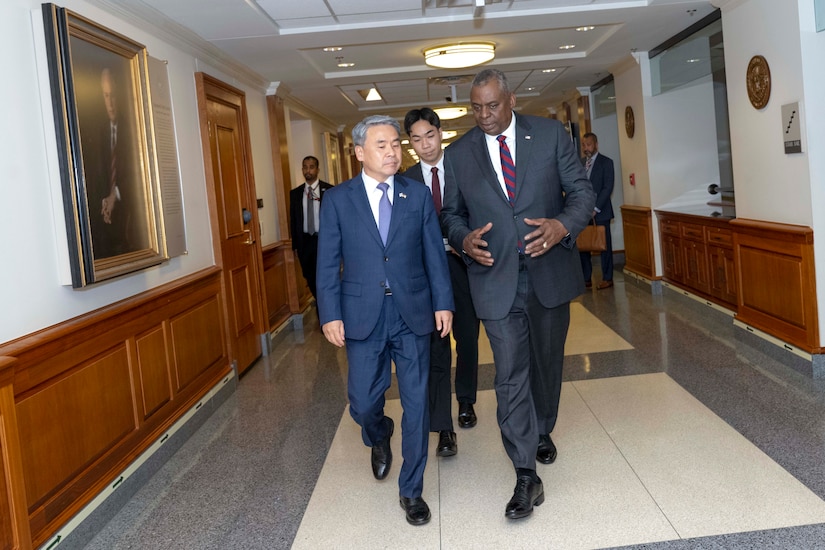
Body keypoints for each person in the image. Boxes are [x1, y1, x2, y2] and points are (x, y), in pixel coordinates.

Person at [441, 69, 595, 520]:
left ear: (511, 99)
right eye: (476, 107)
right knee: (509, 373)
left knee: (547, 365)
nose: (484, 115)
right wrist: (462, 239)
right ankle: (525, 472)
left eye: (492, 106)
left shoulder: (548, 135)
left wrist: (563, 224)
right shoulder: (460, 153)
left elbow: (581, 192)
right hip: (494, 278)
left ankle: (542, 426)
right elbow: (450, 214)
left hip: (549, 272)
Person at [316, 114, 454, 526]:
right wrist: (330, 314)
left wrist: (443, 302)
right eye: (382, 145)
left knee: (417, 403)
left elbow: (433, 253)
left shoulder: (416, 196)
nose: (393, 151)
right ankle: (379, 432)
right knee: (361, 402)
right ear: (360, 152)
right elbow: (327, 263)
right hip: (361, 315)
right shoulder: (339, 200)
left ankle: (411, 490)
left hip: (412, 312)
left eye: (396, 143)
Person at [402, 108, 481, 460]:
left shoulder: (464, 168)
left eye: (429, 136)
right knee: (436, 348)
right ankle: (443, 427)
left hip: (463, 267)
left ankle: (466, 400)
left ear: (440, 133)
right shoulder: (404, 181)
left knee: (467, 338)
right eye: (416, 139)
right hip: (427, 276)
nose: (425, 145)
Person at [91, 67, 138, 259]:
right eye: (106, 96)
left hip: (131, 221)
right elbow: (97, 175)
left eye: (113, 96)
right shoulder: (99, 132)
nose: (110, 103)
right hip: (106, 227)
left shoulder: (134, 130)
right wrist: (104, 200)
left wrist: (115, 195)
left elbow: (138, 177)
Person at [290, 156, 333, 298]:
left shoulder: (330, 191)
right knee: (310, 278)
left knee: (326, 278)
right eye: (305, 167)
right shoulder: (295, 194)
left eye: (311, 166)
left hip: (324, 241)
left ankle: (325, 312)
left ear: (317, 169)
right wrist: (295, 246)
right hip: (305, 244)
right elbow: (294, 220)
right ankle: (321, 305)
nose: (308, 170)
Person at [580, 132, 616, 289]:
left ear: (596, 144)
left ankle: (607, 278)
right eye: (584, 145)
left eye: (588, 144)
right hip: (582, 212)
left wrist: (595, 208)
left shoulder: (606, 162)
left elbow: (608, 187)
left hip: (601, 212)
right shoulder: (580, 163)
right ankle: (586, 278)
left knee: (604, 245)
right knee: (583, 245)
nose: (586, 148)